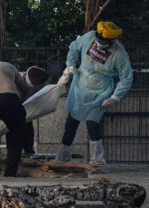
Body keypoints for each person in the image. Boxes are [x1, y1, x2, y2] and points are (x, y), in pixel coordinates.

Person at [55, 21, 133, 168]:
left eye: (103, 42)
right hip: (80, 85)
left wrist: (115, 97)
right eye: (98, 39)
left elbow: (126, 78)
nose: (99, 43)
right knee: (71, 122)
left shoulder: (119, 53)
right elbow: (74, 47)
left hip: (101, 90)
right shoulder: (90, 36)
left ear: (111, 40)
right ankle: (62, 158)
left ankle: (97, 161)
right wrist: (71, 65)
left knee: (92, 123)